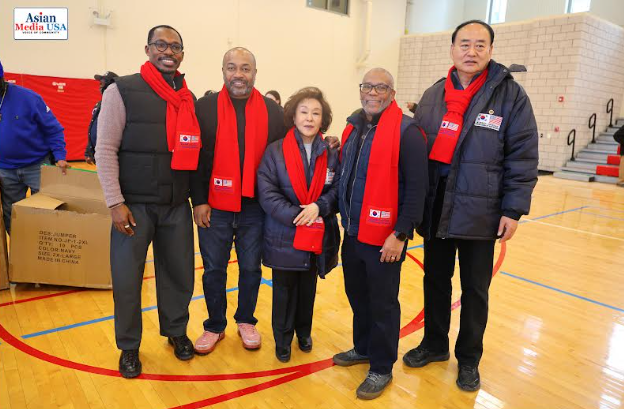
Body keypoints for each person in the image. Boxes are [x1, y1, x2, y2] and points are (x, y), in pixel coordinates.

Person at [402, 20, 539, 392]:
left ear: (491, 51)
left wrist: (512, 209)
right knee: (435, 281)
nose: (472, 51)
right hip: (437, 206)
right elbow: (416, 150)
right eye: (464, 44)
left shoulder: (510, 96)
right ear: (452, 49)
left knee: (475, 290)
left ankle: (468, 358)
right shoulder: (434, 94)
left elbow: (523, 155)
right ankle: (434, 344)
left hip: (482, 211)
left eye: (480, 45)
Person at [95, 25, 198, 379]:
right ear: (147, 49)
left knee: (179, 275)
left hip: (175, 205)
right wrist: (114, 202)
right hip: (133, 207)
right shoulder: (120, 90)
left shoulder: (187, 97)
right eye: (161, 45)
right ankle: (129, 347)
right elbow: (104, 149)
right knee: (127, 280)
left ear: (182, 54)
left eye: (175, 47)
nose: (168, 52)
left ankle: (176, 331)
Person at [332, 68, 428, 400]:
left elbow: (417, 189)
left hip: (386, 238)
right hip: (353, 231)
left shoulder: (407, 132)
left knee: (383, 304)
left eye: (381, 87)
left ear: (392, 93)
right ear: (361, 90)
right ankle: (363, 348)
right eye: (368, 86)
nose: (373, 92)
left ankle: (382, 366)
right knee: (357, 296)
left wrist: (400, 234)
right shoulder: (352, 127)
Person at [190, 47, 289, 355]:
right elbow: (196, 158)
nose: (238, 74)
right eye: (232, 67)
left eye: (245, 68)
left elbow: (285, 154)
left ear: (255, 73)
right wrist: (199, 200)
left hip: (255, 208)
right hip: (214, 206)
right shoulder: (204, 107)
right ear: (223, 71)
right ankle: (214, 325)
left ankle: (246, 320)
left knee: (250, 269)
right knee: (213, 270)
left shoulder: (273, 111)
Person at [257, 87, 340, 363]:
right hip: (284, 233)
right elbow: (267, 193)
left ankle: (303, 332)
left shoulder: (330, 152)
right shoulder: (275, 151)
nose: (309, 118)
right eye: (303, 112)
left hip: (317, 233)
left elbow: (337, 189)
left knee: (308, 289)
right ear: (293, 116)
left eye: (316, 113)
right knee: (283, 291)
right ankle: (282, 339)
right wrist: (298, 215)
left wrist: (319, 207)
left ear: (323, 119)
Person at [0, 59, 68, 234]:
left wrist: (60, 156)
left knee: (47, 211)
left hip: (37, 165)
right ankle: (20, 247)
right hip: (5, 170)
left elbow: (54, 129)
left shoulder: (29, 98)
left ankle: (44, 247)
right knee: (12, 215)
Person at [85, 71, 118, 164]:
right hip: (99, 154)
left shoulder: (118, 104)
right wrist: (89, 151)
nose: (100, 86)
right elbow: (94, 128)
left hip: (111, 155)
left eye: (102, 83)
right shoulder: (99, 104)